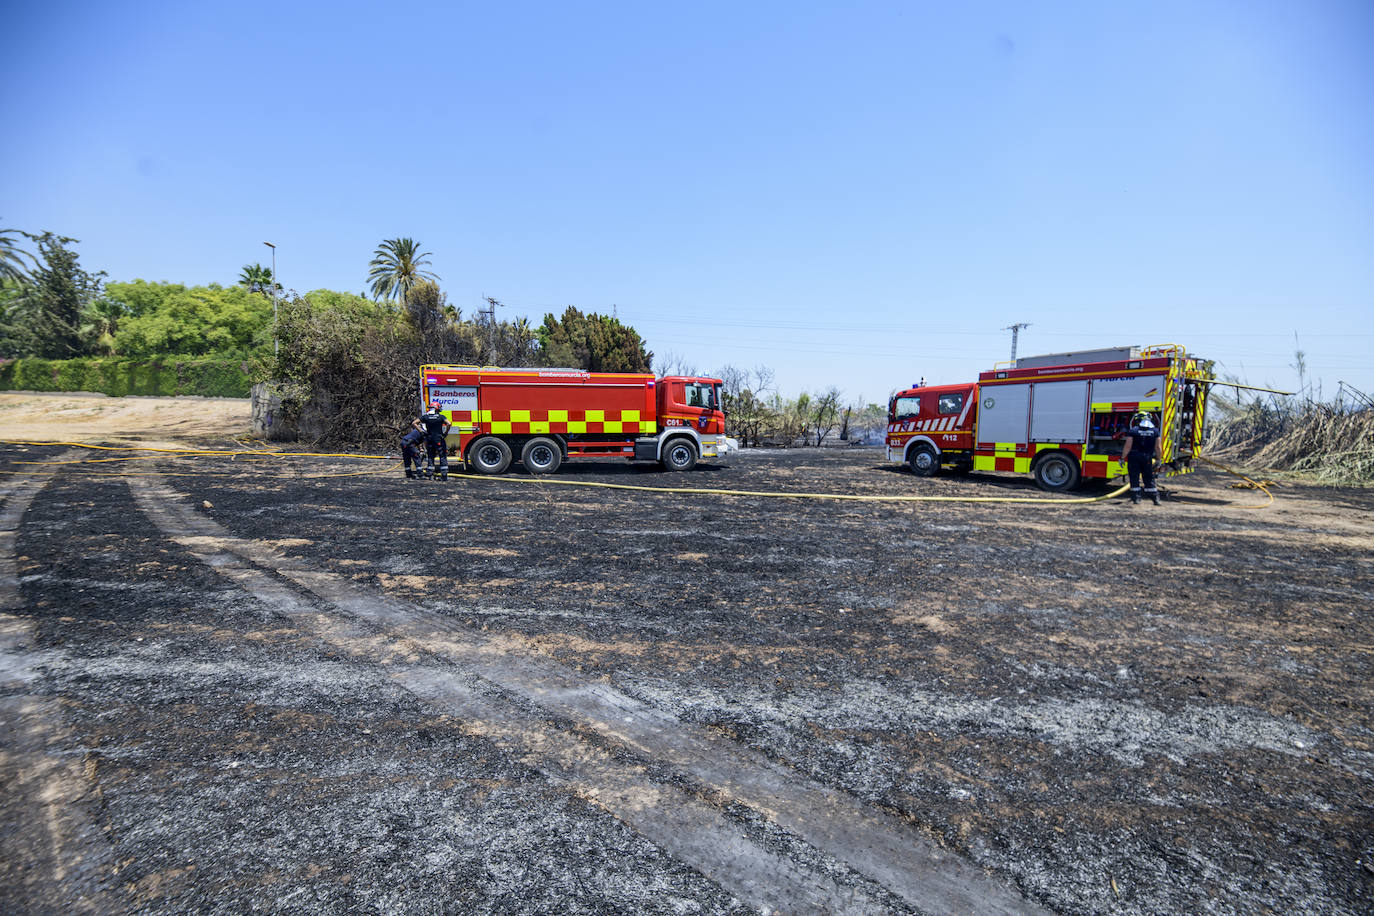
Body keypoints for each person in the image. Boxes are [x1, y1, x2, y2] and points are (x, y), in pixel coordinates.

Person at [1121, 411, 1163, 504]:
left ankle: (1136, 499)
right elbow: (1158, 447)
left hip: (1134, 458)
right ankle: (1155, 498)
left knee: (1134, 477)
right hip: (1147, 458)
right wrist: (1159, 460)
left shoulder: (1133, 431)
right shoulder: (1155, 431)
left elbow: (1128, 446)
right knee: (1148, 477)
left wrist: (1122, 458)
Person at [413, 400, 452, 479]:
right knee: (442, 456)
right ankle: (444, 476)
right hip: (439, 439)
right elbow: (449, 423)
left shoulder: (425, 417)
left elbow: (414, 423)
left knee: (430, 456)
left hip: (429, 439)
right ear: (436, 408)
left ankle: (429, 474)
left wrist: (421, 432)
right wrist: (446, 432)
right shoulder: (441, 417)